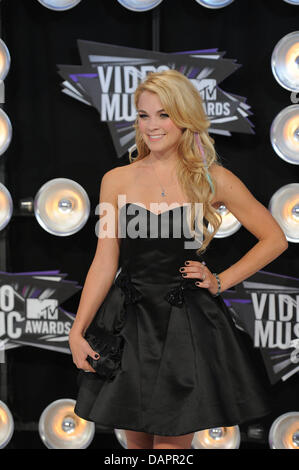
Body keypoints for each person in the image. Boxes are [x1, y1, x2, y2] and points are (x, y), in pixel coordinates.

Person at [69, 70, 288, 450]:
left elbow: (275, 238)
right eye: (143, 115)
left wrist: (220, 280)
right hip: (128, 322)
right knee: (136, 447)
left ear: (185, 117)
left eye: (163, 114)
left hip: (184, 323)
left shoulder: (212, 179)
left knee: (171, 449)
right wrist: (77, 330)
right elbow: (105, 260)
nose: (152, 126)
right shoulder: (116, 179)